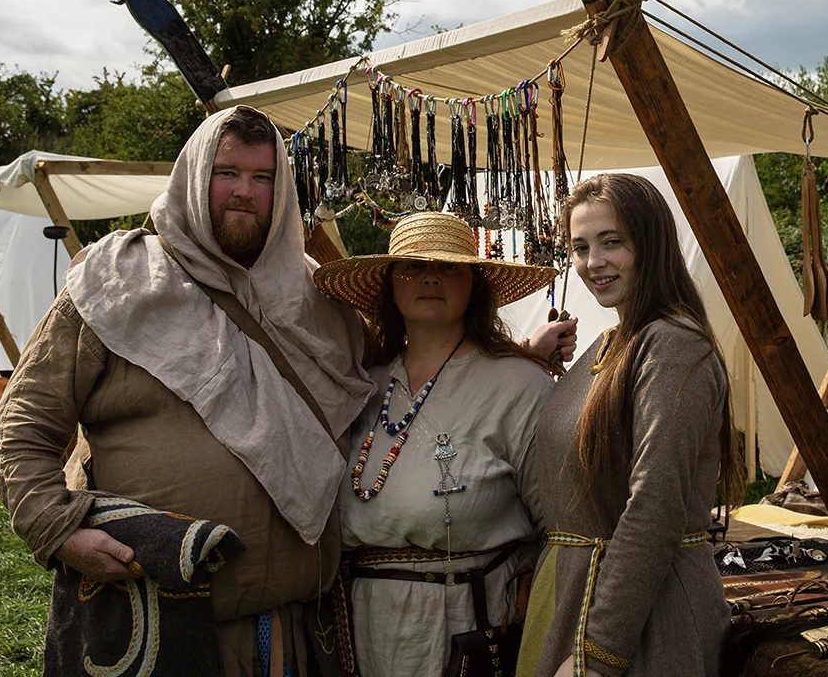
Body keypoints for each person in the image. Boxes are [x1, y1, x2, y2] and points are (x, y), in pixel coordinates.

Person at [0, 105, 373, 675]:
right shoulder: (114, 281)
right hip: (151, 633)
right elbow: (22, 425)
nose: (244, 191)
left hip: (293, 632)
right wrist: (57, 530)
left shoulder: (319, 296)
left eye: (263, 177)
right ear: (193, 177)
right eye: (226, 172)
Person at [311, 211, 564, 677]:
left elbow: (562, 523)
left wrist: (533, 585)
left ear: (474, 286)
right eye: (413, 267)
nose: (430, 278)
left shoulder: (521, 387)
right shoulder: (361, 383)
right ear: (390, 286)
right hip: (360, 629)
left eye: (449, 267)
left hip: (469, 627)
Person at [518, 173, 745, 677]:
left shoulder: (672, 344)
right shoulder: (610, 345)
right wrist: (529, 361)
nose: (593, 262)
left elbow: (655, 505)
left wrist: (599, 653)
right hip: (576, 597)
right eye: (580, 248)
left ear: (651, 244)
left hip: (644, 619)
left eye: (611, 242)